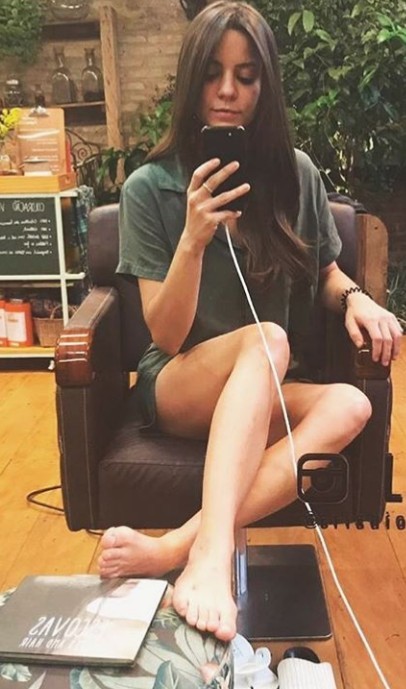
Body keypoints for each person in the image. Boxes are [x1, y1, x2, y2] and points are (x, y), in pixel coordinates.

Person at [98, 1, 402, 641]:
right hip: (181, 383)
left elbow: (325, 270)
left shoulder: (296, 175)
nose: (228, 91)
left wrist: (357, 298)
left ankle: (179, 544)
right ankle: (212, 555)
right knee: (269, 340)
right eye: (212, 73)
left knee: (351, 404)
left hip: (264, 380)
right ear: (191, 80)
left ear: (266, 85)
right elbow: (164, 336)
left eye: (246, 75)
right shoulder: (149, 187)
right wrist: (192, 240)